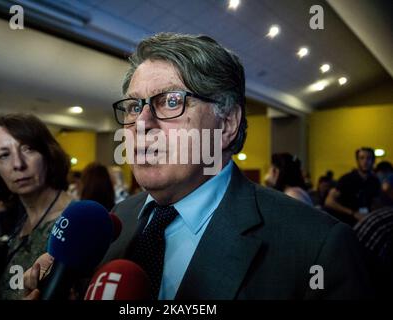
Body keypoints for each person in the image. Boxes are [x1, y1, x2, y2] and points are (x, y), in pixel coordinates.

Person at [26, 33, 373, 300]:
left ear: (226, 125)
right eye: (134, 106)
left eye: (171, 102)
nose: (142, 123)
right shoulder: (116, 220)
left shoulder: (318, 247)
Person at [0, 113, 72, 299]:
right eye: (4, 155)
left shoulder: (73, 221)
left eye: (28, 149)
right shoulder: (22, 217)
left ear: (48, 153)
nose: (18, 164)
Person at [325, 147, 381, 226]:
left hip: (365, 222)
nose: (365, 161)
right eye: (362, 158)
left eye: (368, 158)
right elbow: (329, 202)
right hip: (346, 223)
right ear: (357, 160)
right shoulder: (347, 179)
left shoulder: (374, 181)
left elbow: (376, 203)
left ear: (373, 160)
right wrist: (353, 213)